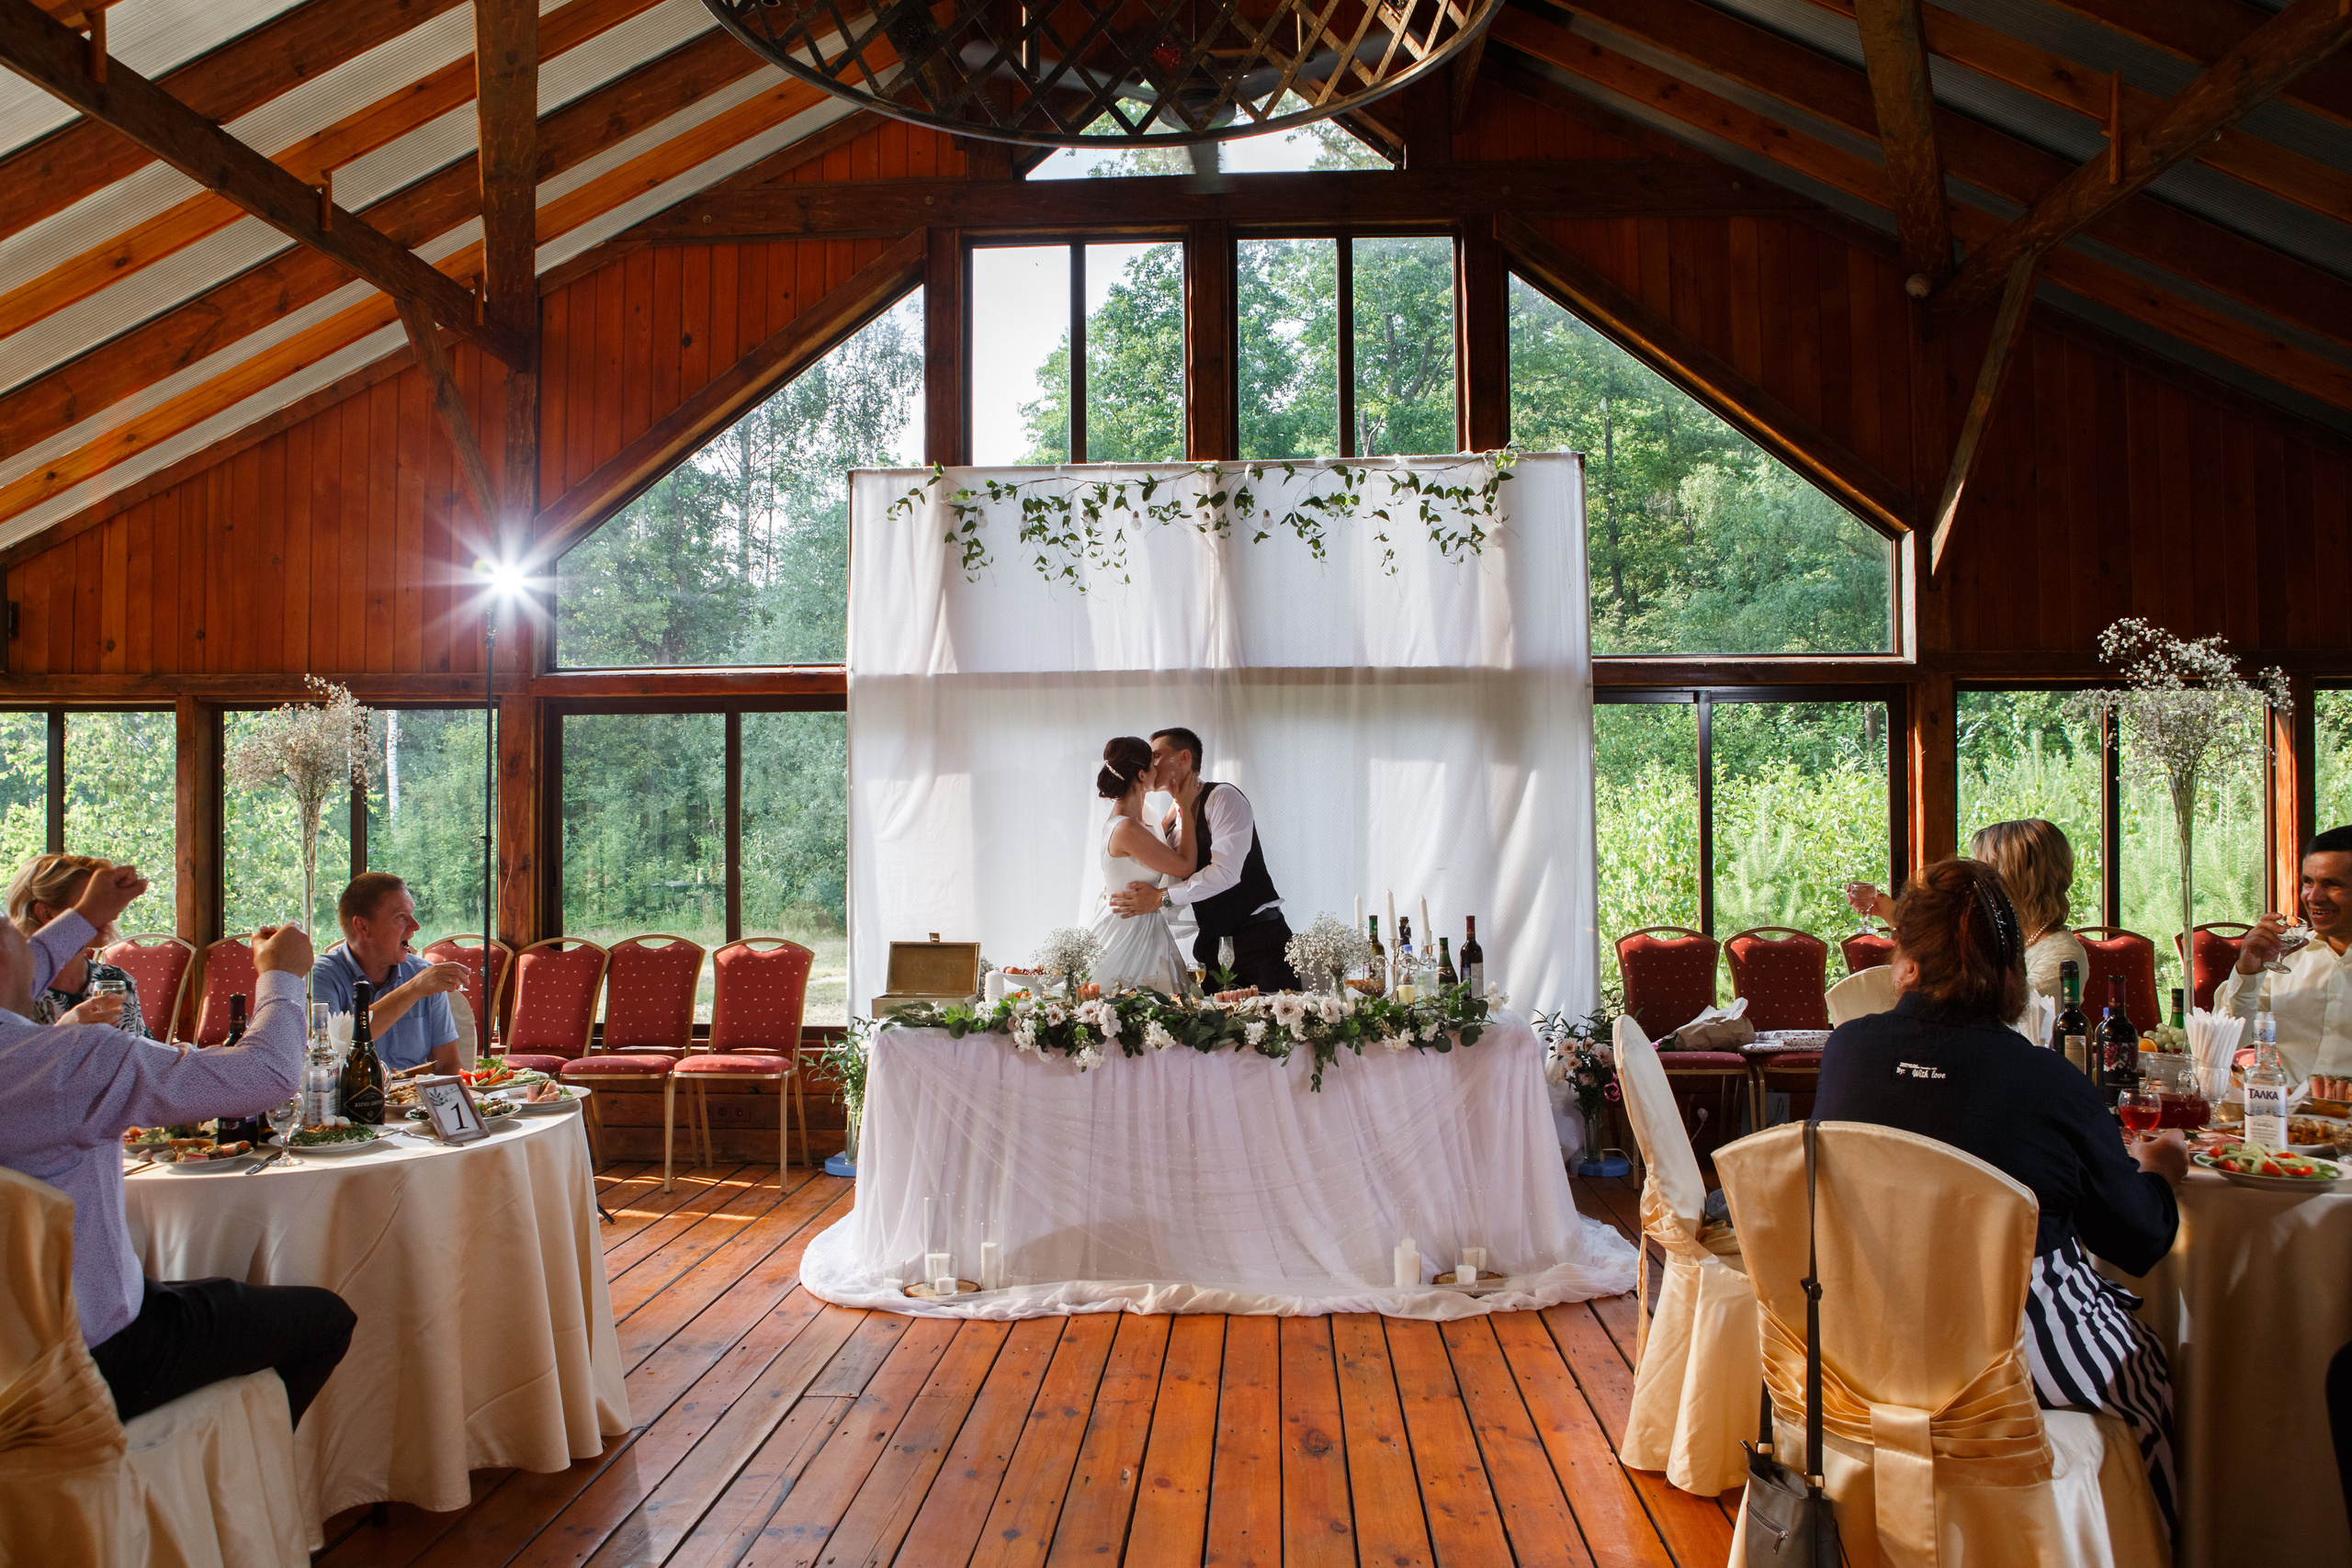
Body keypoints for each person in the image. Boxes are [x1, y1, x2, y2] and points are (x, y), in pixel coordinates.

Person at [1814, 856, 2185, 1537]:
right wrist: (2161, 1171)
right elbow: (2138, 1241)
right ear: (2015, 965)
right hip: (2007, 1364)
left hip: (1858, 1342)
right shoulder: (2048, 1081)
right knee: (2150, 1374)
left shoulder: (1848, 1052)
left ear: (1905, 962)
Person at [0, 863, 354, 1427]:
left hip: (10, 1361)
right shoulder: (69, 1060)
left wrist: (89, 916)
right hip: (92, 1358)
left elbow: (20, 970)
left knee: (203, 1291)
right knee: (326, 1320)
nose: (37, 956)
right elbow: (268, 1074)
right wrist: (281, 978)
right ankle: (221, 1477)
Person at [1106, 727, 1301, 994]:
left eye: (1157, 756)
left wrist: (1160, 898)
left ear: (1184, 757)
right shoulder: (1171, 814)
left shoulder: (1223, 798)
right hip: (1211, 943)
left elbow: (1225, 873)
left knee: (1279, 1029)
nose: (1150, 763)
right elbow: (1159, 864)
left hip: (1259, 940)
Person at [2215, 825, 2352, 1084]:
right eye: (2308, 882)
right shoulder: (2285, 956)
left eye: (2333, 884)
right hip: (2283, 1119)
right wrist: (2249, 972)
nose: (2313, 897)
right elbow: (2228, 1040)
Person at [310, 873, 467, 1076]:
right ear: (362, 926)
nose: (415, 926)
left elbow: (448, 1065)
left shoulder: (422, 973)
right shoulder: (322, 975)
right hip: (350, 1103)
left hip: (415, 1103)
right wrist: (414, 989)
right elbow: (331, 1053)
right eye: (400, 916)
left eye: (411, 914)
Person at [1084, 737, 1197, 994]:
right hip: (1128, 930)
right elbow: (1185, 866)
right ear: (1142, 775)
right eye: (1153, 764)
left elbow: (1162, 828)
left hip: (1147, 924)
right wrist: (1187, 809)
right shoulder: (1125, 827)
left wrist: (1179, 797)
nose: (1158, 769)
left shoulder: (1145, 816)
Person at [7, 851, 149, 1037]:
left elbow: (138, 1057)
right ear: (46, 913)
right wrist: (63, 1031)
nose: (112, 915)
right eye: (91, 903)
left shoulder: (117, 982)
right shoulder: (13, 988)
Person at [1967, 818, 2089, 1004]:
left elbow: (2013, 1014)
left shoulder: (2063, 957)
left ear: (2020, 879)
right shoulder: (2008, 940)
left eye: (1986, 874)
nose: (1978, 886)